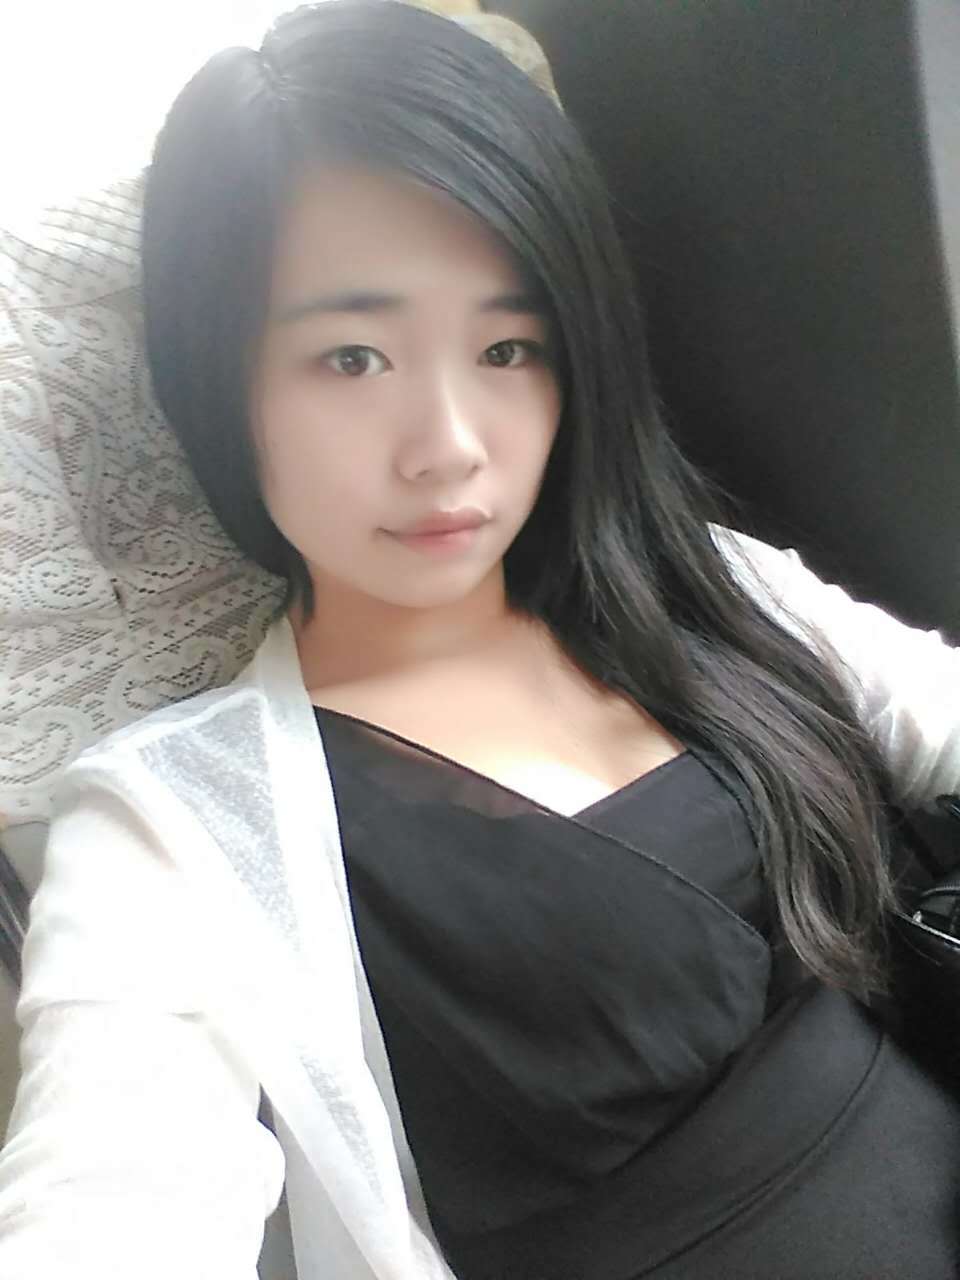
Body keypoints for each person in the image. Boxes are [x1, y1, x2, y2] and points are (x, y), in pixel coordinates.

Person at [1, 2, 959, 1277]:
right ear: (217, 380)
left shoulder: (705, 582)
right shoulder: (172, 829)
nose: (450, 444)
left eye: (508, 347)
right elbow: (111, 1201)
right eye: (352, 357)